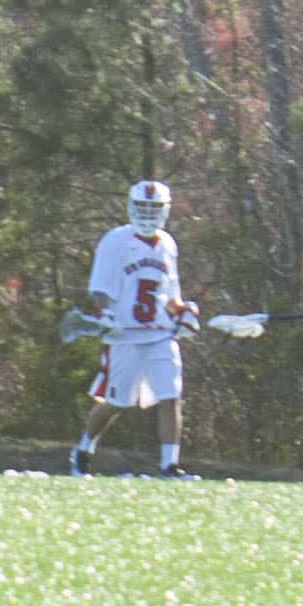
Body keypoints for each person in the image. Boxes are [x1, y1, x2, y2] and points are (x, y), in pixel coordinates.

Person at [70, 179, 200, 479]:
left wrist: (184, 314)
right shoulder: (115, 241)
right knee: (116, 402)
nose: (147, 214)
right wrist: (104, 315)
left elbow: (170, 295)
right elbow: (100, 288)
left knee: (171, 396)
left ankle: (169, 465)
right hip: (124, 335)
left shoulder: (167, 244)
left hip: (160, 335)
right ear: (130, 207)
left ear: (164, 211)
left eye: (153, 208)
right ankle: (83, 449)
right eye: (142, 207)